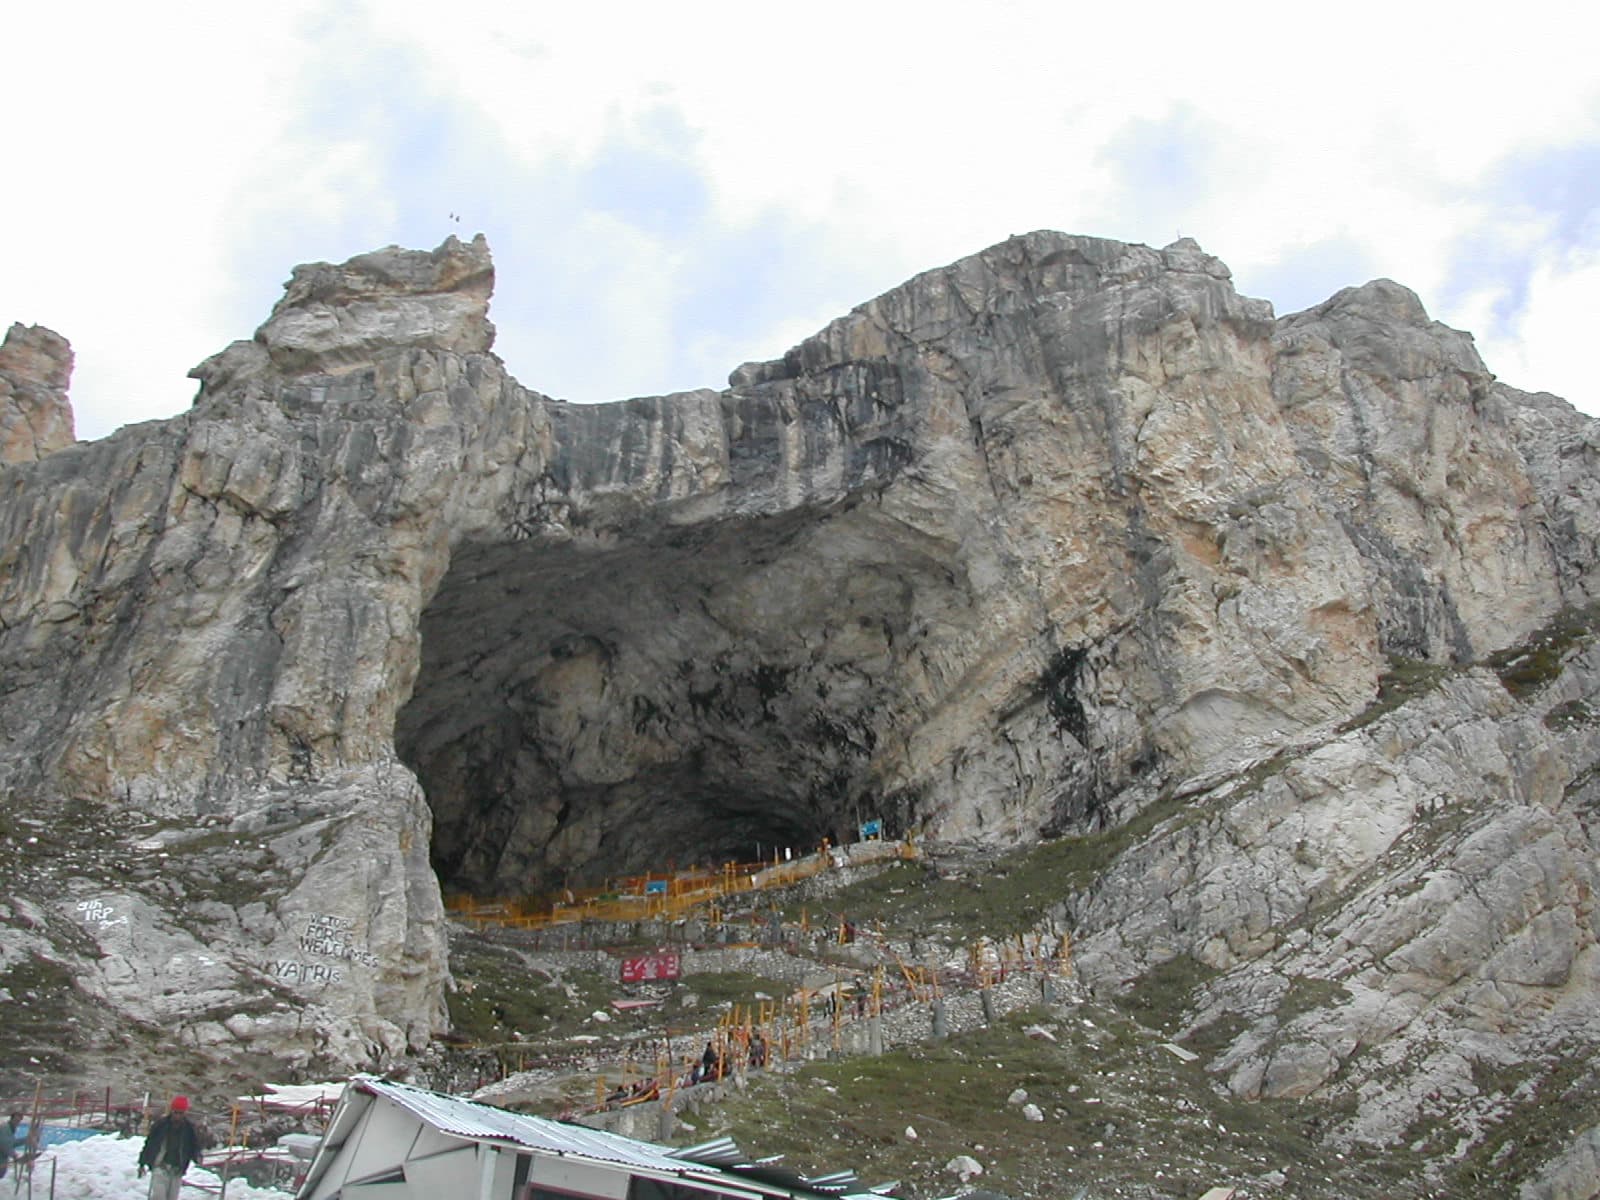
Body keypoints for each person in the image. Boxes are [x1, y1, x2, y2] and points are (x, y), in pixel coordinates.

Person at [138, 1096, 204, 1200]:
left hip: (177, 1169)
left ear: (185, 1113)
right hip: (160, 1165)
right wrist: (142, 1163)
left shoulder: (189, 1129)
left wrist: (197, 1157)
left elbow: (194, 1146)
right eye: (175, 1112)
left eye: (180, 1113)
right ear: (171, 1111)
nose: (177, 1115)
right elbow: (149, 1144)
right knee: (159, 1196)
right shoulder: (161, 1125)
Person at [0, 1111, 22, 1179]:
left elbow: (11, 1143)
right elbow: (4, 1144)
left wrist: (26, 1140)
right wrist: (13, 1154)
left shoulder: (11, 1128)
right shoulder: (5, 1128)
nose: (17, 1122)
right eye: (16, 1120)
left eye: (19, 1121)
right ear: (11, 1119)